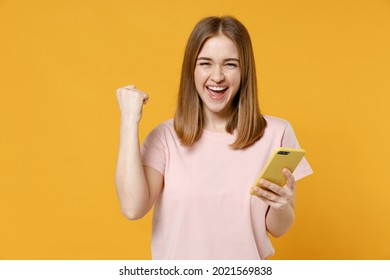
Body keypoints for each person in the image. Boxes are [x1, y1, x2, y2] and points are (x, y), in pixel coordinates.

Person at [115, 16, 313, 260]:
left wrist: (282, 204)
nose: (217, 76)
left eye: (230, 64)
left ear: (244, 71)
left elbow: (278, 228)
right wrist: (128, 121)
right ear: (192, 69)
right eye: (205, 63)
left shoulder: (277, 133)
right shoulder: (164, 138)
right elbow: (133, 208)